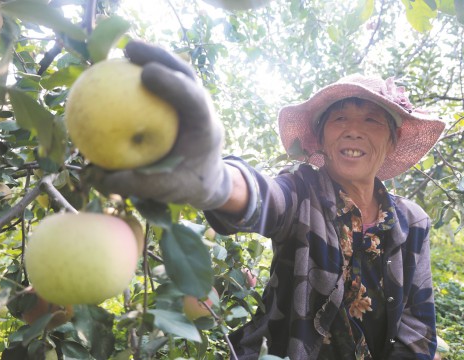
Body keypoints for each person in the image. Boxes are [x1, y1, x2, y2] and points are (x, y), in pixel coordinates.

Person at [91, 40, 446, 359]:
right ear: (319, 140)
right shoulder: (302, 192)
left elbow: (418, 331)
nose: (354, 129)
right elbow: (264, 197)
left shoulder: (412, 223)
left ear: (391, 142)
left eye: (371, 119)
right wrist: (214, 178)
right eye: (340, 118)